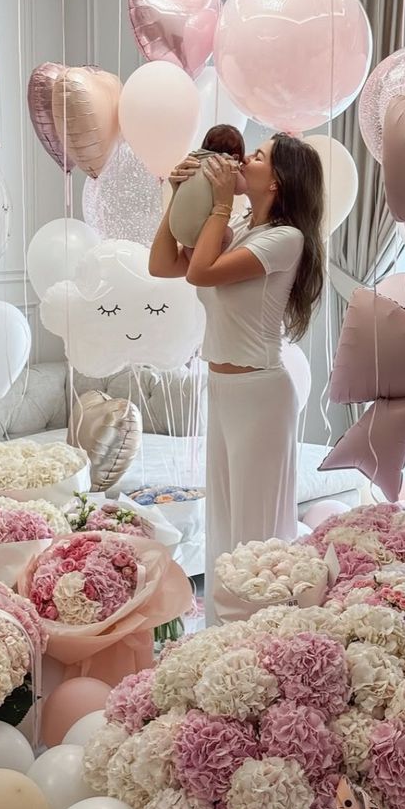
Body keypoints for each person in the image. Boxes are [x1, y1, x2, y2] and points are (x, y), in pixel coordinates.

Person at [149, 132, 325, 617]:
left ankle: (263, 632)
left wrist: (220, 204)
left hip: (261, 394)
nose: (244, 159)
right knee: (222, 520)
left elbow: (200, 273)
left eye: (259, 156)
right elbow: (163, 263)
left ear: (278, 181)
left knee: (256, 524)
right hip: (224, 389)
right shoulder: (243, 227)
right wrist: (178, 194)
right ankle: (223, 636)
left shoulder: (284, 239)